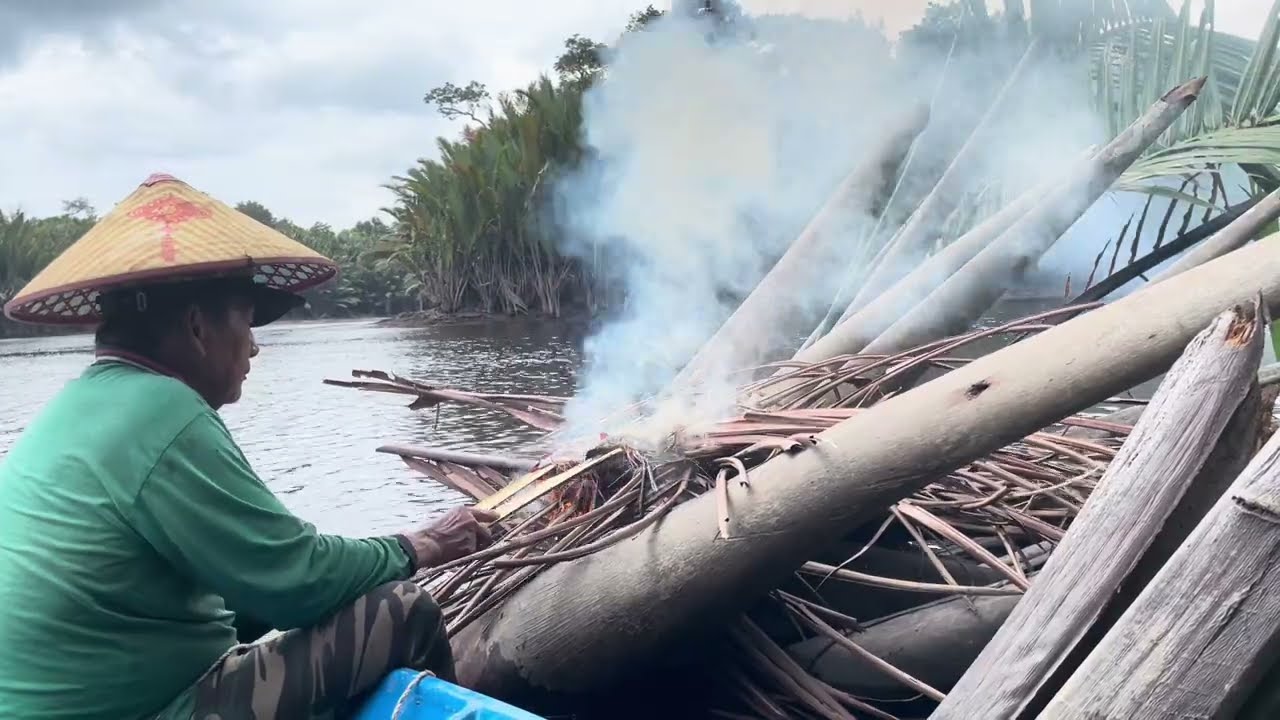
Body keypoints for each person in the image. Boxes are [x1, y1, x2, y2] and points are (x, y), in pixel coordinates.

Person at [0, 173, 498, 720]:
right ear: (197, 327)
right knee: (402, 610)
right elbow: (298, 580)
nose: (256, 346)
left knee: (252, 616)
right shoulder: (163, 412)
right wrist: (415, 546)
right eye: (246, 320)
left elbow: (258, 579)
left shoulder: (80, 407)